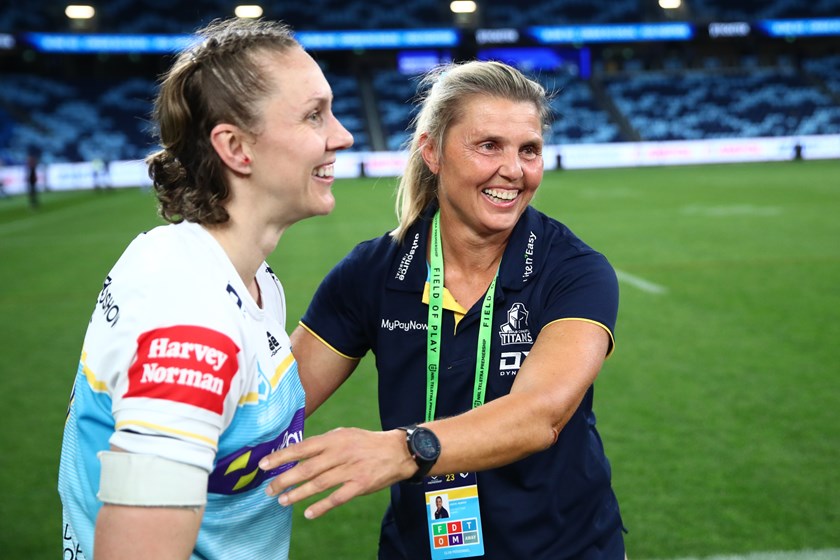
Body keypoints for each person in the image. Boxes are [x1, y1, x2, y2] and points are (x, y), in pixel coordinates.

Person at [260, 60, 626, 559]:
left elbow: (539, 416)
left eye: (529, 150)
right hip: (419, 550)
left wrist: (404, 449)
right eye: (488, 145)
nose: (514, 170)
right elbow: (275, 407)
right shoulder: (373, 271)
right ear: (431, 150)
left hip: (564, 548)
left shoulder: (575, 271)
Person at [57, 17, 353, 560]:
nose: (342, 135)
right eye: (314, 115)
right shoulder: (190, 320)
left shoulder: (245, 276)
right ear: (236, 147)